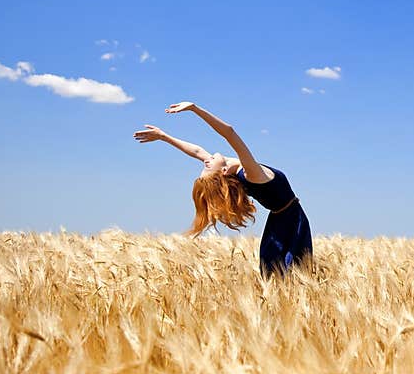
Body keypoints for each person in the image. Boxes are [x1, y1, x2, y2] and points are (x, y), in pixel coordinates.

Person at [133, 101, 313, 278]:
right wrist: (195, 109)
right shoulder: (251, 173)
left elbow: (196, 151)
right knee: (286, 274)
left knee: (287, 275)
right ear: (223, 173)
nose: (206, 160)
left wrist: (164, 136)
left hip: (284, 220)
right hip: (289, 222)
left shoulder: (233, 173)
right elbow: (229, 132)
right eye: (207, 166)